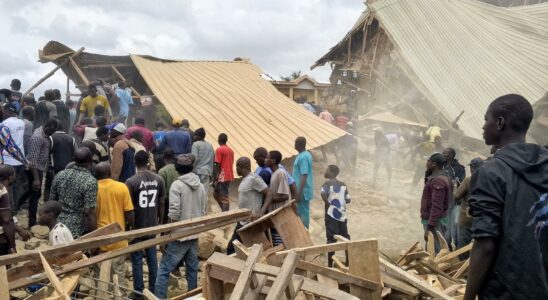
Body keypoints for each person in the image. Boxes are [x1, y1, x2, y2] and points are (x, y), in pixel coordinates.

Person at [464, 94, 548, 300]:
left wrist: (468, 297)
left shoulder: (491, 171)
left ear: (500, 122)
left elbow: (485, 245)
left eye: (486, 119)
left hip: (505, 291)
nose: (483, 126)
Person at [155, 154, 206, 299]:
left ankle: (159, 297)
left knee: (164, 269)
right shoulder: (201, 185)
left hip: (179, 234)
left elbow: (174, 212)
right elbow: (203, 210)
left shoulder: (177, 185)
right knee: (192, 269)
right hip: (194, 232)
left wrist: (167, 234)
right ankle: (193, 296)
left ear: (177, 169)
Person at [125, 151, 165, 298]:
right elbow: (161, 203)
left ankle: (138, 292)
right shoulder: (158, 179)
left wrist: (130, 228)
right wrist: (160, 224)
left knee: (137, 260)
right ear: (148, 162)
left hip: (137, 227)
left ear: (135, 162)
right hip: (152, 225)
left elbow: (129, 209)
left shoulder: (131, 181)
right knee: (152, 258)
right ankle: (153, 291)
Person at [95, 162, 134, 287]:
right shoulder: (121, 187)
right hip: (118, 238)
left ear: (95, 175)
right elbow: (129, 213)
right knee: (118, 274)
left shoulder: (93, 189)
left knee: (100, 278)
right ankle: (120, 295)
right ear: (110, 173)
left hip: (100, 239)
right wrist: (129, 230)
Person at [226, 157, 272, 255]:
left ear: (243, 167)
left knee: (232, 249)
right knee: (234, 249)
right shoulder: (245, 180)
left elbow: (269, 193)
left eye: (237, 166)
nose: (236, 169)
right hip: (243, 221)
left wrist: (261, 211)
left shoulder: (254, 179)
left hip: (251, 222)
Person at [49, 147, 97, 237]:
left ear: (74, 160)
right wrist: (94, 238)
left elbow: (52, 201)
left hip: (58, 227)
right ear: (90, 162)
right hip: (78, 230)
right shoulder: (90, 181)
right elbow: (89, 212)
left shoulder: (60, 175)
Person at [27, 119, 57, 227]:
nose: (52, 133)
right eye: (51, 130)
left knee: (32, 194)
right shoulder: (38, 137)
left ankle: (31, 219)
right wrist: (36, 179)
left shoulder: (45, 135)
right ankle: (32, 222)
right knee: (34, 196)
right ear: (46, 126)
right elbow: (32, 161)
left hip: (39, 169)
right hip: (35, 170)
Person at [420, 153, 452, 254]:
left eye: (428, 161)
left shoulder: (439, 181)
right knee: (432, 248)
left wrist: (430, 226)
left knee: (436, 251)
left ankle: (436, 269)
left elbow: (437, 206)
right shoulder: (437, 178)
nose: (427, 163)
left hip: (435, 222)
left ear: (434, 164)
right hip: (433, 220)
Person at [320, 165, 351, 267]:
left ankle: (329, 265)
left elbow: (323, 193)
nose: (325, 171)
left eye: (327, 170)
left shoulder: (327, 183)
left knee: (331, 239)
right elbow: (348, 199)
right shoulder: (343, 185)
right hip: (342, 215)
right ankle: (348, 263)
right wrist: (340, 202)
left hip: (330, 215)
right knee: (345, 238)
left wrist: (328, 203)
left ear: (331, 173)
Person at [453, 158, 483, 257]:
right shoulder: (488, 180)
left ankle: (460, 268)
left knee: (462, 248)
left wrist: (455, 187)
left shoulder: (468, 180)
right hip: (480, 220)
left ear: (473, 167)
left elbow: (457, 196)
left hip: (466, 219)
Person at [1, 102, 27, 213]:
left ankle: (9, 209)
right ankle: (16, 207)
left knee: (7, 187)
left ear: (7, 111)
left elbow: (7, 144)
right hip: (19, 160)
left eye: (4, 110)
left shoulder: (4, 124)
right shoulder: (22, 122)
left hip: (7, 161)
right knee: (17, 185)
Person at [442, 147, 466, 251]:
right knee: (446, 225)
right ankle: (447, 247)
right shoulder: (442, 167)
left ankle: (458, 248)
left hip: (456, 202)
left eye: (446, 153)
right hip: (445, 202)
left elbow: (460, 185)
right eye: (443, 153)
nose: (443, 155)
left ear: (452, 155)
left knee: (456, 226)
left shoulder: (459, 168)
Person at [266, 150, 291, 246]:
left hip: (280, 216)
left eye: (267, 158)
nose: (265, 159)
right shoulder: (274, 174)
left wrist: (269, 199)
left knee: (280, 244)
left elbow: (285, 196)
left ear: (273, 161)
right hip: (275, 216)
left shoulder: (280, 173)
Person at [293, 137, 314, 228]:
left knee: (303, 213)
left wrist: (298, 192)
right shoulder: (304, 154)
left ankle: (305, 232)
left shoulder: (303, 157)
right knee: (301, 211)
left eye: (295, 143)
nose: (294, 145)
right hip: (302, 190)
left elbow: (304, 174)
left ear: (299, 144)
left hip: (302, 191)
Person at [212, 133, 234, 212]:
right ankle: (224, 211)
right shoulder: (231, 150)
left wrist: (215, 178)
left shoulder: (219, 150)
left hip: (222, 176)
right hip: (229, 175)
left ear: (219, 140)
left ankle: (226, 213)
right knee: (216, 194)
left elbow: (217, 164)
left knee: (223, 196)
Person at [191, 128, 214, 196]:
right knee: (204, 193)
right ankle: (203, 206)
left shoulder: (195, 144)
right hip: (207, 172)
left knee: (196, 193)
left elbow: (194, 159)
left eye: (195, 135)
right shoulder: (210, 146)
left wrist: (191, 170)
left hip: (197, 172)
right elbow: (212, 160)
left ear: (199, 136)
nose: (194, 137)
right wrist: (211, 174)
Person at [158, 149, 178, 224]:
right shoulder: (178, 169)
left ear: (163, 158)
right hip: (177, 199)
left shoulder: (162, 171)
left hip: (166, 201)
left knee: (164, 222)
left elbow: (160, 189)